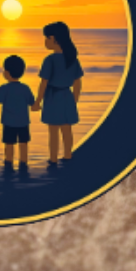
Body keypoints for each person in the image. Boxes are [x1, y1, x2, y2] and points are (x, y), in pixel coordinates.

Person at [36, 21, 83, 164]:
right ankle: (68, 155)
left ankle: (53, 159)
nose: (45, 41)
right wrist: (74, 100)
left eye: (47, 37)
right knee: (67, 129)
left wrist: (38, 101)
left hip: (53, 96)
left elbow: (43, 83)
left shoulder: (50, 60)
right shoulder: (72, 59)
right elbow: (77, 82)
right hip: (67, 96)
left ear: (55, 39)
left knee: (53, 132)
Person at [0, 54, 37, 170]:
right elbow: (33, 103)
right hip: (23, 122)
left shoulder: (4, 88)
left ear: (7, 72)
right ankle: (23, 164)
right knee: (23, 144)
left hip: (8, 123)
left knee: (9, 145)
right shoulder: (25, 88)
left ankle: (8, 164)